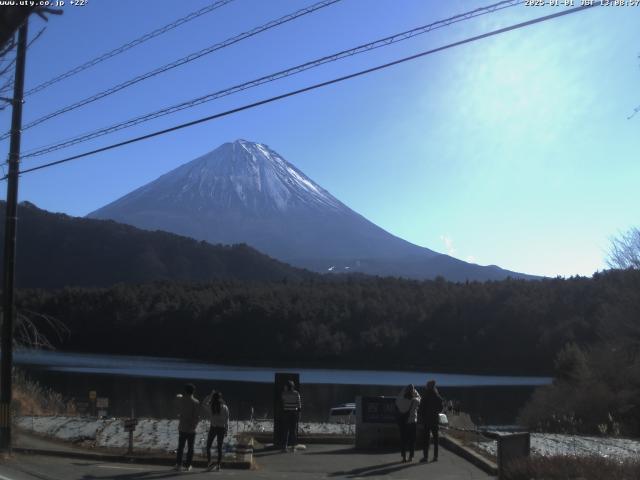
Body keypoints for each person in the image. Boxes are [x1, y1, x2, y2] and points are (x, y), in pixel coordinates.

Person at [175, 383, 200, 472]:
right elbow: (196, 416)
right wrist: (194, 426)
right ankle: (188, 465)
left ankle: (178, 464)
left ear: (185, 391)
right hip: (191, 428)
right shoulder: (196, 402)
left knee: (180, 447)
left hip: (182, 427)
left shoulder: (181, 400)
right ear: (193, 391)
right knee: (190, 448)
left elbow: (178, 396)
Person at [395, 384, 421, 462]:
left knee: (403, 440)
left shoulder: (401, 400)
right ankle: (410, 457)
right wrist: (415, 392)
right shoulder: (415, 401)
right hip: (412, 422)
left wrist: (404, 390)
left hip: (403, 422)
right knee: (412, 440)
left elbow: (397, 401)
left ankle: (404, 457)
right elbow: (420, 398)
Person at [420, 379, 443, 462]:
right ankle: (435, 456)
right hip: (435, 420)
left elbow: (421, 408)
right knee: (436, 439)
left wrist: (421, 417)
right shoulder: (437, 396)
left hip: (426, 420)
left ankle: (425, 457)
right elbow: (440, 408)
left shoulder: (425, 395)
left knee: (426, 439)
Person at [205, 390, 229, 471]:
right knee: (219, 447)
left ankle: (209, 463)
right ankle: (218, 465)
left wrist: (210, 395)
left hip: (213, 427)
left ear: (213, 398)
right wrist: (226, 430)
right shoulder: (225, 407)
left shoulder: (211, 406)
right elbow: (226, 420)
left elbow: (204, 403)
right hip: (221, 428)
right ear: (220, 398)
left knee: (208, 446)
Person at [281, 380, 301, 452]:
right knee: (293, 430)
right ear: (293, 386)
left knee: (286, 430)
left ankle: (284, 447)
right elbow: (299, 404)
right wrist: (299, 413)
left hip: (286, 413)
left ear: (287, 386)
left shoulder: (284, 393)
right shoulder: (296, 393)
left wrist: (285, 390)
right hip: (294, 413)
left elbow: (283, 401)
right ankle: (293, 447)